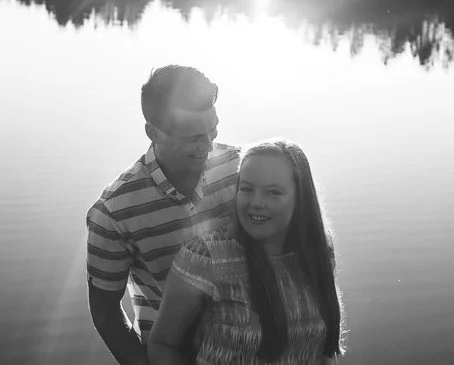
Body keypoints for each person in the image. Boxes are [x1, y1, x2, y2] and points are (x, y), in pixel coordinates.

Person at [87, 65, 240, 365]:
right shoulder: (113, 212)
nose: (208, 146)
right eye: (192, 137)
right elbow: (105, 313)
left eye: (212, 130)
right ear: (152, 132)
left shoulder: (239, 168)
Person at [148, 139, 345, 365]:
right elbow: (163, 344)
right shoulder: (205, 256)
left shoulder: (317, 250)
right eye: (247, 189)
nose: (256, 202)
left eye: (273, 192)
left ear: (300, 198)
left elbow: (325, 352)